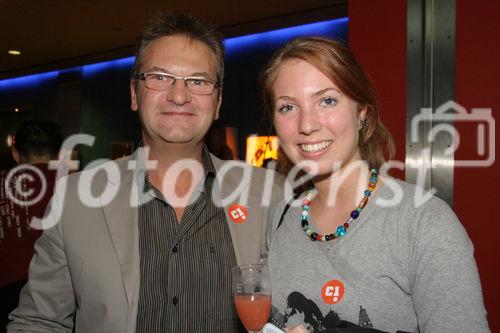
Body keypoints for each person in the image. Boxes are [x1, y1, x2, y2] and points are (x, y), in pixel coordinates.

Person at [7, 12, 284, 333]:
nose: (179, 96)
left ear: (218, 101)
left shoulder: (269, 195)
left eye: (198, 81)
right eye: (160, 77)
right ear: (134, 94)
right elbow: (39, 321)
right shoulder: (75, 199)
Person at [261, 37, 489, 332]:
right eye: (288, 107)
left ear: (361, 113)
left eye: (327, 100)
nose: (307, 124)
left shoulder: (423, 222)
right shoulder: (281, 217)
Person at [0, 120, 62, 332]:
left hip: (6, 291)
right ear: (59, 152)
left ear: (16, 154)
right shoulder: (76, 187)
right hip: (59, 296)